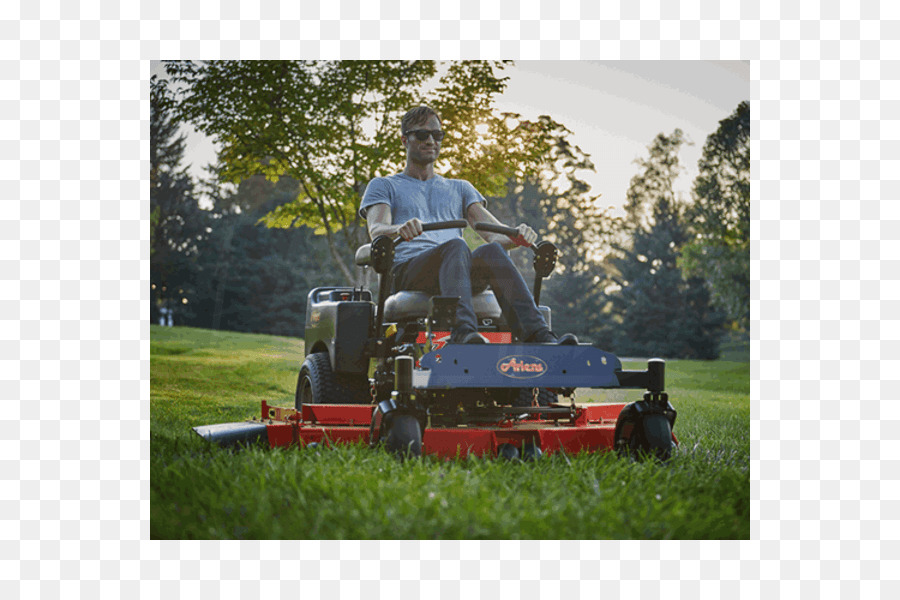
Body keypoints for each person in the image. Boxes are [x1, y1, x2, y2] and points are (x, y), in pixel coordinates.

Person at [359, 106, 578, 346]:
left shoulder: (460, 188)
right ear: (404, 140)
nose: (431, 140)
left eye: (437, 135)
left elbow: (495, 237)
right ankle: (463, 332)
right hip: (408, 270)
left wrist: (517, 238)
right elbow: (377, 229)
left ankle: (539, 336)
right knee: (456, 245)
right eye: (422, 135)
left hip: (456, 270)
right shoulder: (384, 185)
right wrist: (398, 229)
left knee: (491, 252)